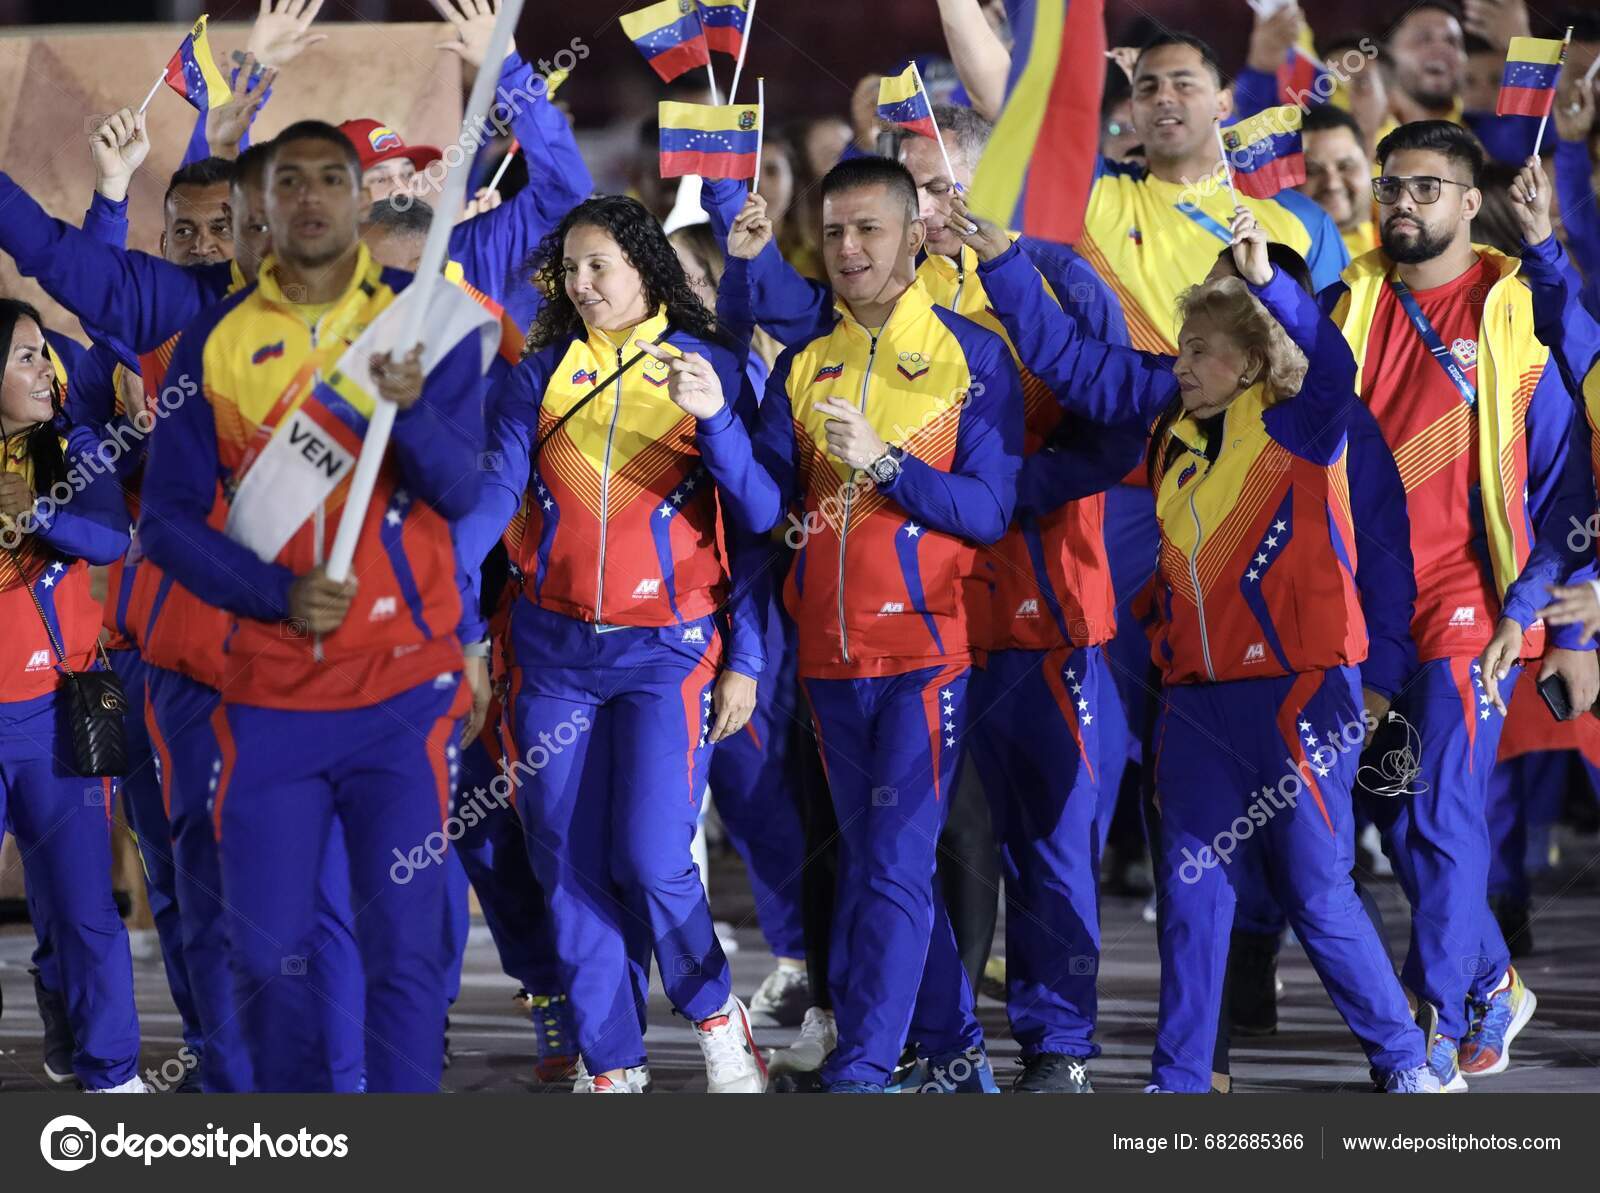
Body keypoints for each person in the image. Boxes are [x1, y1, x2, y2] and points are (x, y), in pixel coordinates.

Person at [964, 198, 1438, 1093]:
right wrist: (1003, 265)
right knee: (1190, 894)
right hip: (1197, 706)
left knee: (1315, 889)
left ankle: (1408, 1060)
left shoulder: (1309, 423)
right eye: (1179, 350)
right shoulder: (1171, 431)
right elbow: (1077, 365)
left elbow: (1327, 365)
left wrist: (1266, 284)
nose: (1180, 365)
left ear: (1254, 355)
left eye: (1199, 350)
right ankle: (1180, 1081)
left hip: (1301, 695)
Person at [138, 120, 497, 1092]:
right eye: (288, 181)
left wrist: (412, 407)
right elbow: (166, 522)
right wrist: (276, 595)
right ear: (261, 207)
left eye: (330, 179)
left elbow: (463, 490)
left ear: (357, 197)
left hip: (401, 694)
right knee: (266, 954)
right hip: (268, 694)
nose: (309, 198)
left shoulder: (426, 322)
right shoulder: (213, 344)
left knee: (405, 946)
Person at [692, 156, 1024, 1093]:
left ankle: (867, 1067)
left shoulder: (975, 356)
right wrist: (719, 422)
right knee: (891, 869)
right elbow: (764, 515)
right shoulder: (804, 364)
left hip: (927, 655)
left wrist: (886, 465)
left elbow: (990, 510)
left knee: (887, 867)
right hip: (831, 664)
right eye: (834, 231)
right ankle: (959, 1051)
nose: (848, 248)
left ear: (915, 233)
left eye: (869, 229)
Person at [456, 195, 770, 1095]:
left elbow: (755, 519)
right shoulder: (540, 370)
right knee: (561, 855)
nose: (583, 284)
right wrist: (434, 563)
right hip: (553, 652)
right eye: (571, 269)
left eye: (601, 265)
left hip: (667, 649)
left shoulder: (706, 361)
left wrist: (714, 419)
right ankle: (613, 1060)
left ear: (644, 266)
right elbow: (495, 488)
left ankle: (715, 1015)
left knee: (651, 851)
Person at [1325, 120, 1598, 1090]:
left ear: (1469, 199)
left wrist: (1544, 611)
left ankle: (1433, 1019)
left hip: (1472, 604)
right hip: (1367, 610)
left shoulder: (1515, 302)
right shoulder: (1347, 296)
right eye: (1391, 187)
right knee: (1397, 816)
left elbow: (1565, 478)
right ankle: (1492, 978)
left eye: (1425, 188)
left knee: (1439, 820)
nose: (1402, 203)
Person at [0, 298, 144, 1092]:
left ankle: (113, 1075)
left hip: (56, 716)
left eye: (44, 356)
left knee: (85, 910)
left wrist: (39, 511)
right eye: (24, 356)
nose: (44, 371)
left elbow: (109, 539)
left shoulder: (72, 447)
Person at [1300, 106, 1380, 258]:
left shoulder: (1411, 234)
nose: (1332, 184)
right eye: (1312, 170)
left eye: (1345, 166)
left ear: (1370, 164)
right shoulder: (1273, 261)